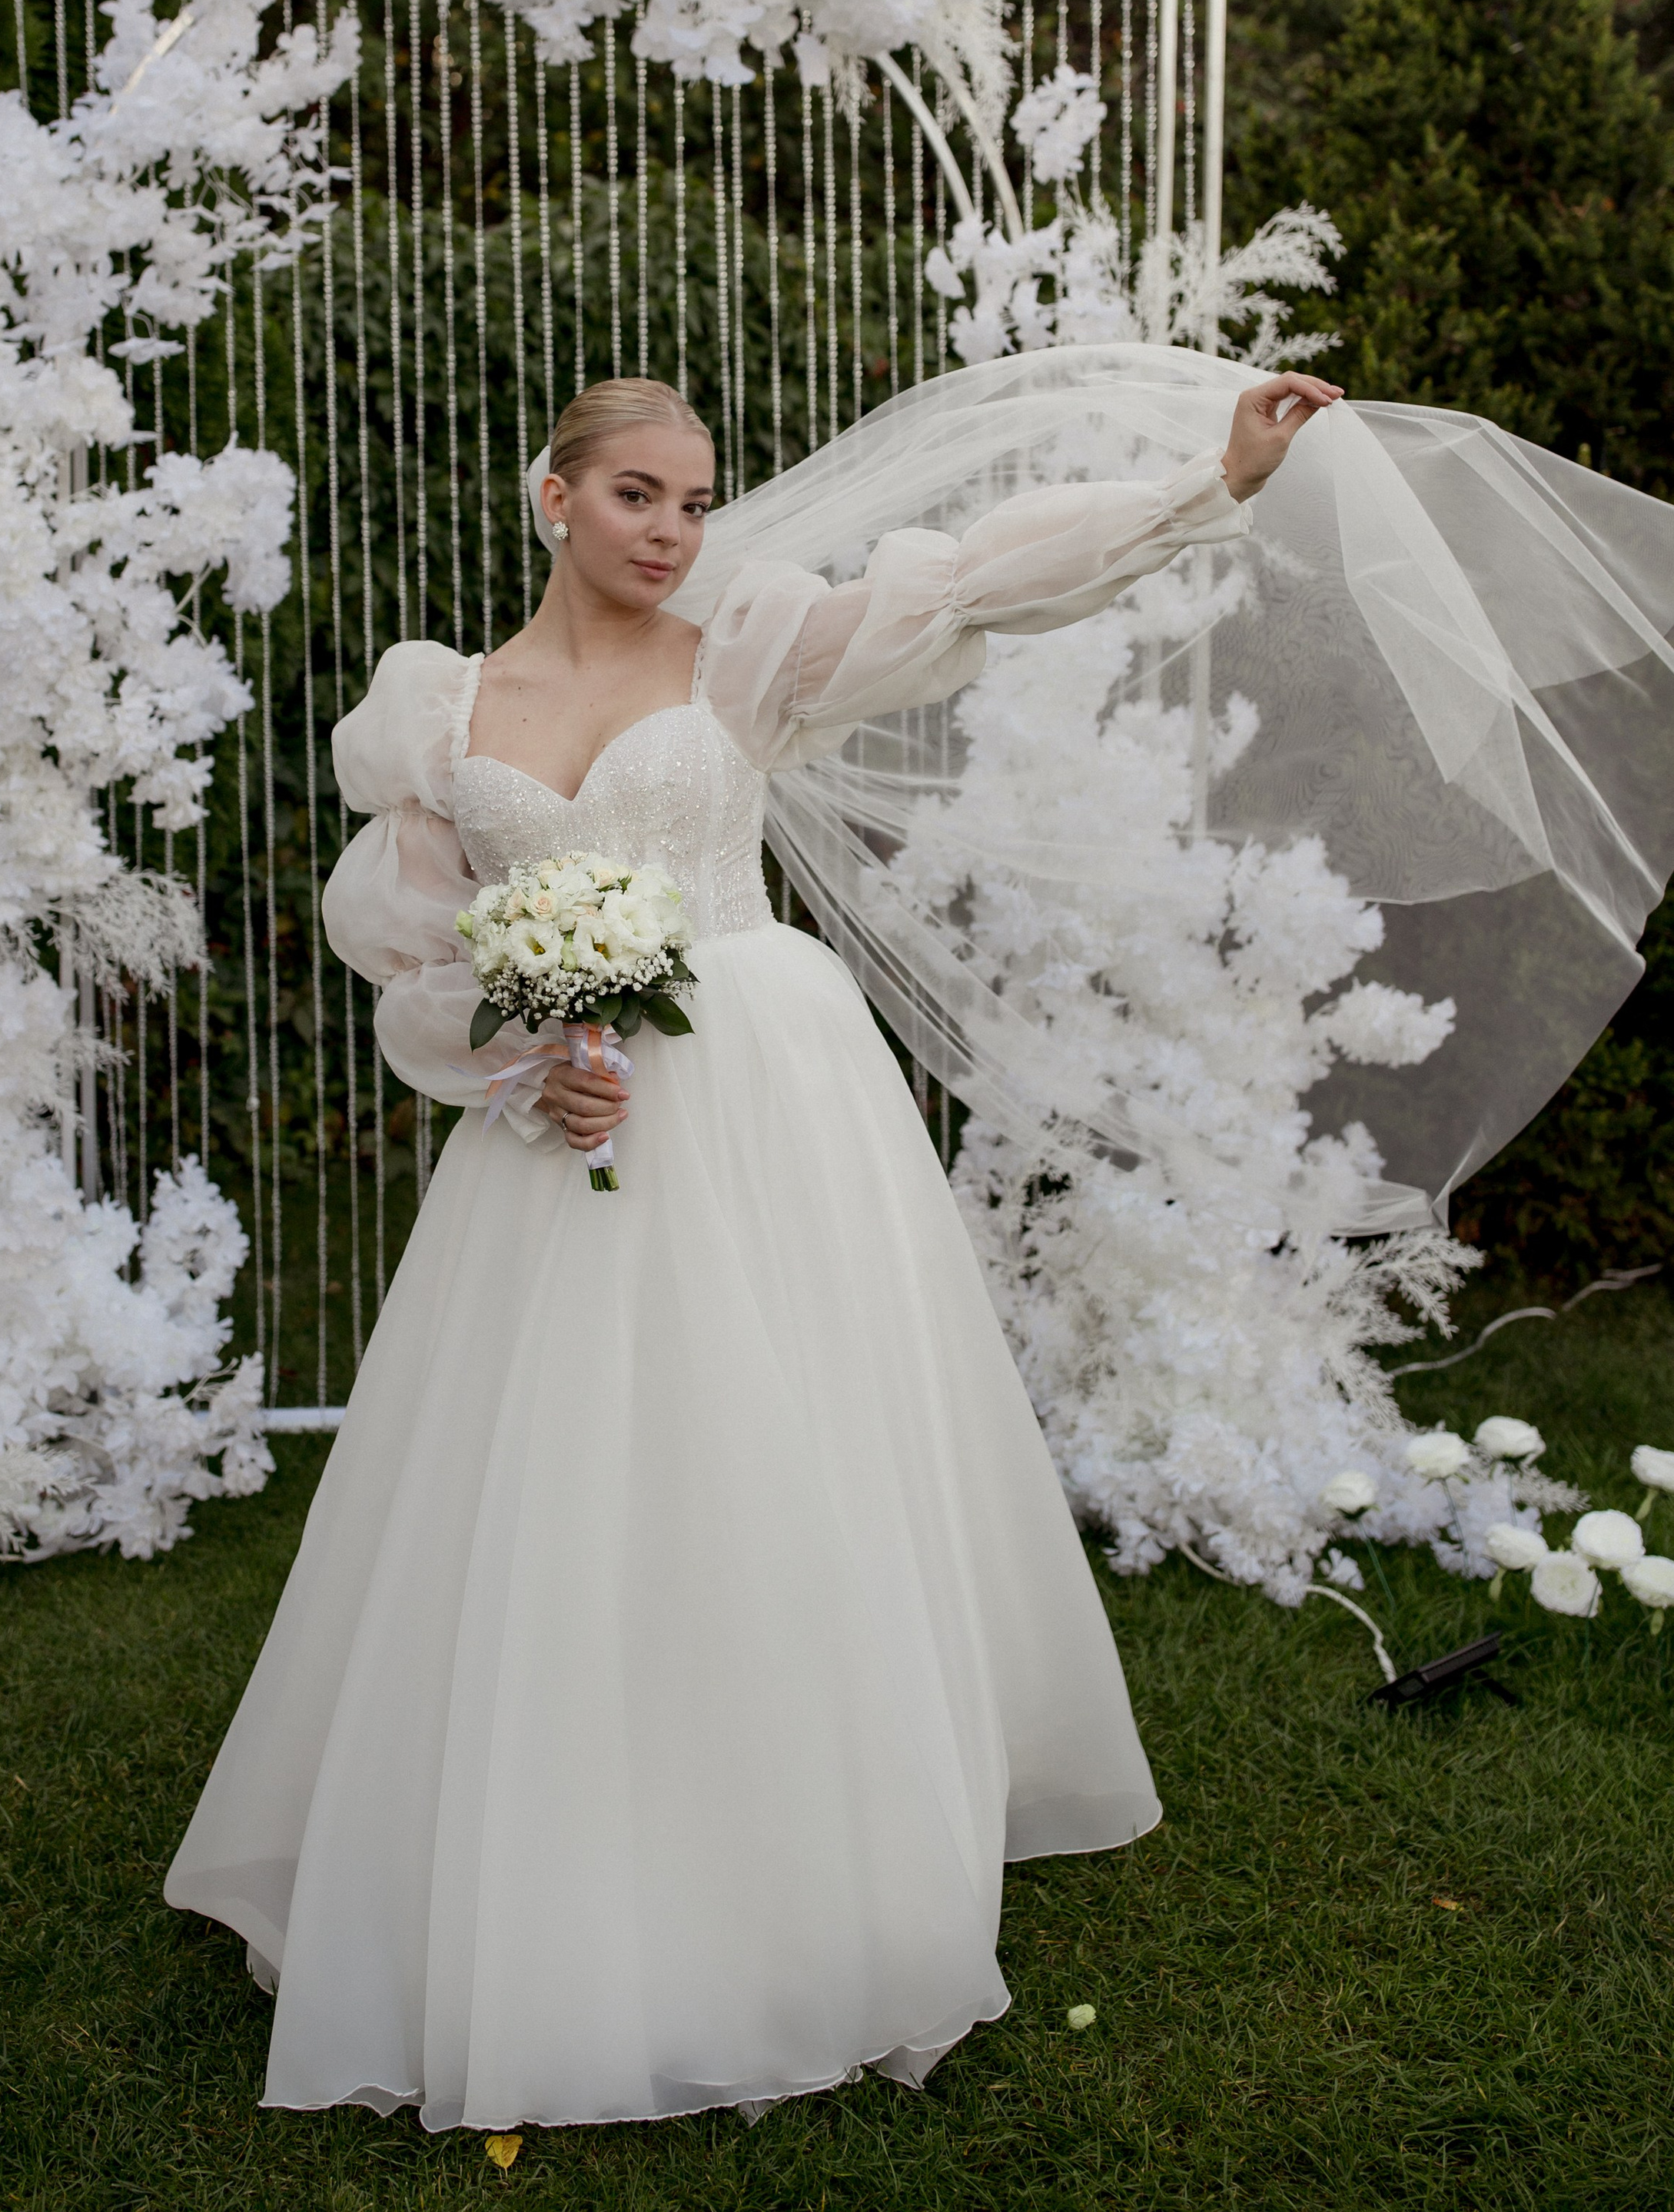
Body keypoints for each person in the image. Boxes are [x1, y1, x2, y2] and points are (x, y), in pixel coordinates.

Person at [164, 367, 1342, 2131]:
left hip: (763, 1103)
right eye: (637, 494)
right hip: (560, 1145)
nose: (673, 531)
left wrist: (1205, 485)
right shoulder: (441, 714)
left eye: (697, 500)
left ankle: (795, 1853)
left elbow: (975, 590)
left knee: (770, 1458)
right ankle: (554, 1840)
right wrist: (525, 1060)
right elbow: (416, 957)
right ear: (548, 497)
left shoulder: (744, 658)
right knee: (554, 1492)